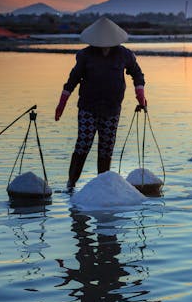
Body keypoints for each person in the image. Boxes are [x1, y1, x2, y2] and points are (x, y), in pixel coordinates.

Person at [55, 17, 146, 190]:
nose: (105, 46)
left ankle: (102, 186)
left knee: (106, 147)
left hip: (112, 108)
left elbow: (137, 74)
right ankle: (71, 184)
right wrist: (62, 103)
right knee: (83, 143)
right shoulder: (85, 55)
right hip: (89, 107)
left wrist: (139, 92)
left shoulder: (124, 54)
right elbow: (73, 80)